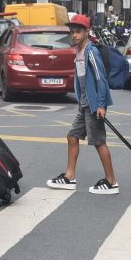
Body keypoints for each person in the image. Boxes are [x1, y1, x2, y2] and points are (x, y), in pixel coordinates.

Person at [46, 14, 119, 194]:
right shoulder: (78, 51)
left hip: (94, 105)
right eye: (72, 32)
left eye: (78, 31)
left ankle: (111, 181)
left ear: (87, 32)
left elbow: (101, 78)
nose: (75, 35)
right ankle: (69, 177)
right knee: (72, 136)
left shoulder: (90, 52)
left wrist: (101, 105)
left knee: (99, 141)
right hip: (84, 104)